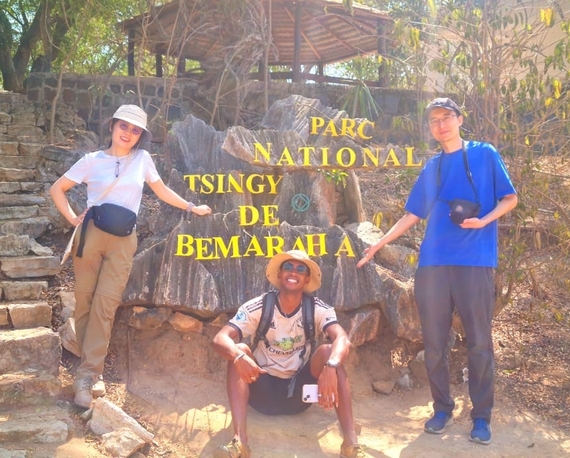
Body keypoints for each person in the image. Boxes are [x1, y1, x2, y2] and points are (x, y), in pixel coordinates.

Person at [356, 97, 517, 445]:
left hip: (475, 261)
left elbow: (510, 198)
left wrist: (483, 222)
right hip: (433, 262)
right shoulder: (433, 167)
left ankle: (481, 417)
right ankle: (442, 408)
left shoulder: (484, 154)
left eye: (446, 117)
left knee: (479, 342)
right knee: (434, 342)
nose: (440, 125)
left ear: (459, 119)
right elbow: (413, 213)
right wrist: (379, 244)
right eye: (434, 121)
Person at [50, 104, 212, 408]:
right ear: (112, 127)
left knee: (106, 304)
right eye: (124, 126)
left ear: (140, 137)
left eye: (135, 130)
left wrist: (191, 207)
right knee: (84, 302)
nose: (128, 133)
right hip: (89, 236)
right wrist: (73, 218)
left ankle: (87, 375)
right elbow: (58, 189)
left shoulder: (142, 160)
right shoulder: (91, 161)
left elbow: (161, 190)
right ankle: (88, 368)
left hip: (124, 240)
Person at [211, 249, 368, 458]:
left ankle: (351, 445)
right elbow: (220, 338)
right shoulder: (259, 306)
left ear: (307, 278)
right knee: (239, 349)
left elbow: (342, 338)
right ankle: (240, 443)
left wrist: (331, 366)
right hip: (261, 390)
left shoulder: (318, 309)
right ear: (279, 274)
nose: (293, 273)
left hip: (298, 395)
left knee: (329, 351)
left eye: (300, 269)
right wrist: (239, 357)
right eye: (288, 267)